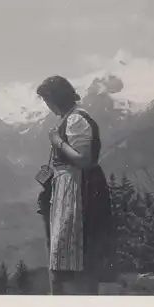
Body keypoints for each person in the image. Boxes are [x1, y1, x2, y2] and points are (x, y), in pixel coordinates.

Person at [36, 75, 115, 295]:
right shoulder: (69, 118)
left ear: (56, 99)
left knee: (77, 246)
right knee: (68, 246)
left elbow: (84, 159)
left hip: (79, 189)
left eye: (47, 100)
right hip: (68, 187)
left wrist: (57, 142)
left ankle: (78, 293)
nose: (47, 106)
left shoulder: (77, 120)